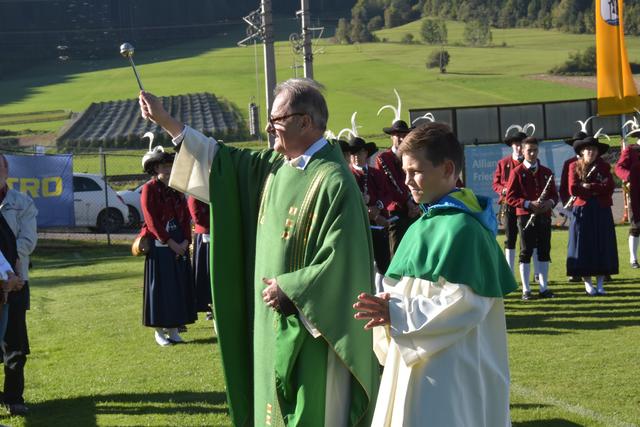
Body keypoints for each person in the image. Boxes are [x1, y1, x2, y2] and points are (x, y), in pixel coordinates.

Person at [138, 78, 379, 426]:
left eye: (276, 120)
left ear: (305, 122)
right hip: (270, 323)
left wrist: (292, 289)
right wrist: (166, 122)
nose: (268, 128)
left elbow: (344, 260)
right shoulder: (276, 168)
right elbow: (220, 161)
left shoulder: (333, 180)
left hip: (312, 332)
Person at [353, 123, 516, 427]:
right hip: (412, 355)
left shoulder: (466, 229)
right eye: (404, 172)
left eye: (415, 171)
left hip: (448, 367)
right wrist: (387, 310)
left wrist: (397, 312)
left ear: (447, 168)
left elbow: (465, 306)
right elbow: (401, 287)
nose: (407, 181)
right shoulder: (419, 226)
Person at [139, 147, 196, 346]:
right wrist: (170, 242)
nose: (169, 169)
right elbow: (151, 220)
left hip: (179, 245)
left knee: (177, 290)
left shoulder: (176, 189)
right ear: (155, 168)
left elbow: (185, 217)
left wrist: (185, 242)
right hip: (160, 247)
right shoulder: (149, 189)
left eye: (171, 165)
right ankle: (159, 333)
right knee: (160, 291)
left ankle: (173, 331)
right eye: (165, 166)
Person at [0, 154, 37, 416]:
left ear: (6, 170)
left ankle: (13, 397)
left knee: (14, 343)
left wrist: (7, 269)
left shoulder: (21, 202)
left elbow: (28, 240)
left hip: (16, 282)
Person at [506, 137, 559, 300]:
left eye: (535, 150)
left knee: (544, 250)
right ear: (522, 151)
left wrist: (549, 203)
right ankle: (526, 289)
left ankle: (544, 288)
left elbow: (554, 196)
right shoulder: (517, 172)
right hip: (525, 217)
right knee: (526, 251)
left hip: (544, 216)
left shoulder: (546, 172)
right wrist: (528, 203)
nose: (532, 153)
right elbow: (510, 197)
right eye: (529, 150)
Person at [566, 135, 618, 295]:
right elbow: (573, 189)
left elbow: (609, 186)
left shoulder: (604, 167)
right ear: (582, 151)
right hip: (582, 210)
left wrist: (590, 186)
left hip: (601, 210)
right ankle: (588, 283)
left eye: (594, 149)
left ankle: (601, 284)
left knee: (602, 244)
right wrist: (594, 189)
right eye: (588, 149)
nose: (591, 152)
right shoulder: (573, 166)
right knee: (584, 245)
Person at [347, 136, 393, 291]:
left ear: (366, 154)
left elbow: (387, 194)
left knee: (383, 265)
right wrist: (368, 212)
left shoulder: (376, 174)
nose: (355, 157)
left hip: (378, 228)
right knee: (361, 265)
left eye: (359, 153)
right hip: (359, 228)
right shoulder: (348, 175)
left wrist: (378, 207)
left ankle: (381, 295)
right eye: (352, 154)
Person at [374, 120, 421, 257]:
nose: (401, 138)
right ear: (392, 137)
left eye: (404, 135)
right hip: (396, 214)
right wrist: (406, 201)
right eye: (397, 135)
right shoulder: (383, 158)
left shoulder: (412, 156)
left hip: (414, 210)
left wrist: (415, 203)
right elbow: (387, 186)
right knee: (397, 254)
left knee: (415, 252)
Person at [493, 126, 525, 271]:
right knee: (510, 238)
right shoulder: (503, 163)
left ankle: (536, 273)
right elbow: (496, 183)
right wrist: (503, 189)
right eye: (516, 144)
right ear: (512, 145)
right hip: (507, 204)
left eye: (521, 144)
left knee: (528, 239)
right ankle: (509, 272)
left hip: (524, 205)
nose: (519, 147)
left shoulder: (529, 163)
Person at [615, 126, 640, 268]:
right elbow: (618, 168)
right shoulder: (630, 150)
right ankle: (633, 259)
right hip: (636, 193)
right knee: (636, 226)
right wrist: (629, 177)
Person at [188, 196, 213, 320]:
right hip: (204, 235)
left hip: (214, 233)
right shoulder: (195, 195)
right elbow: (198, 217)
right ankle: (206, 304)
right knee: (204, 271)